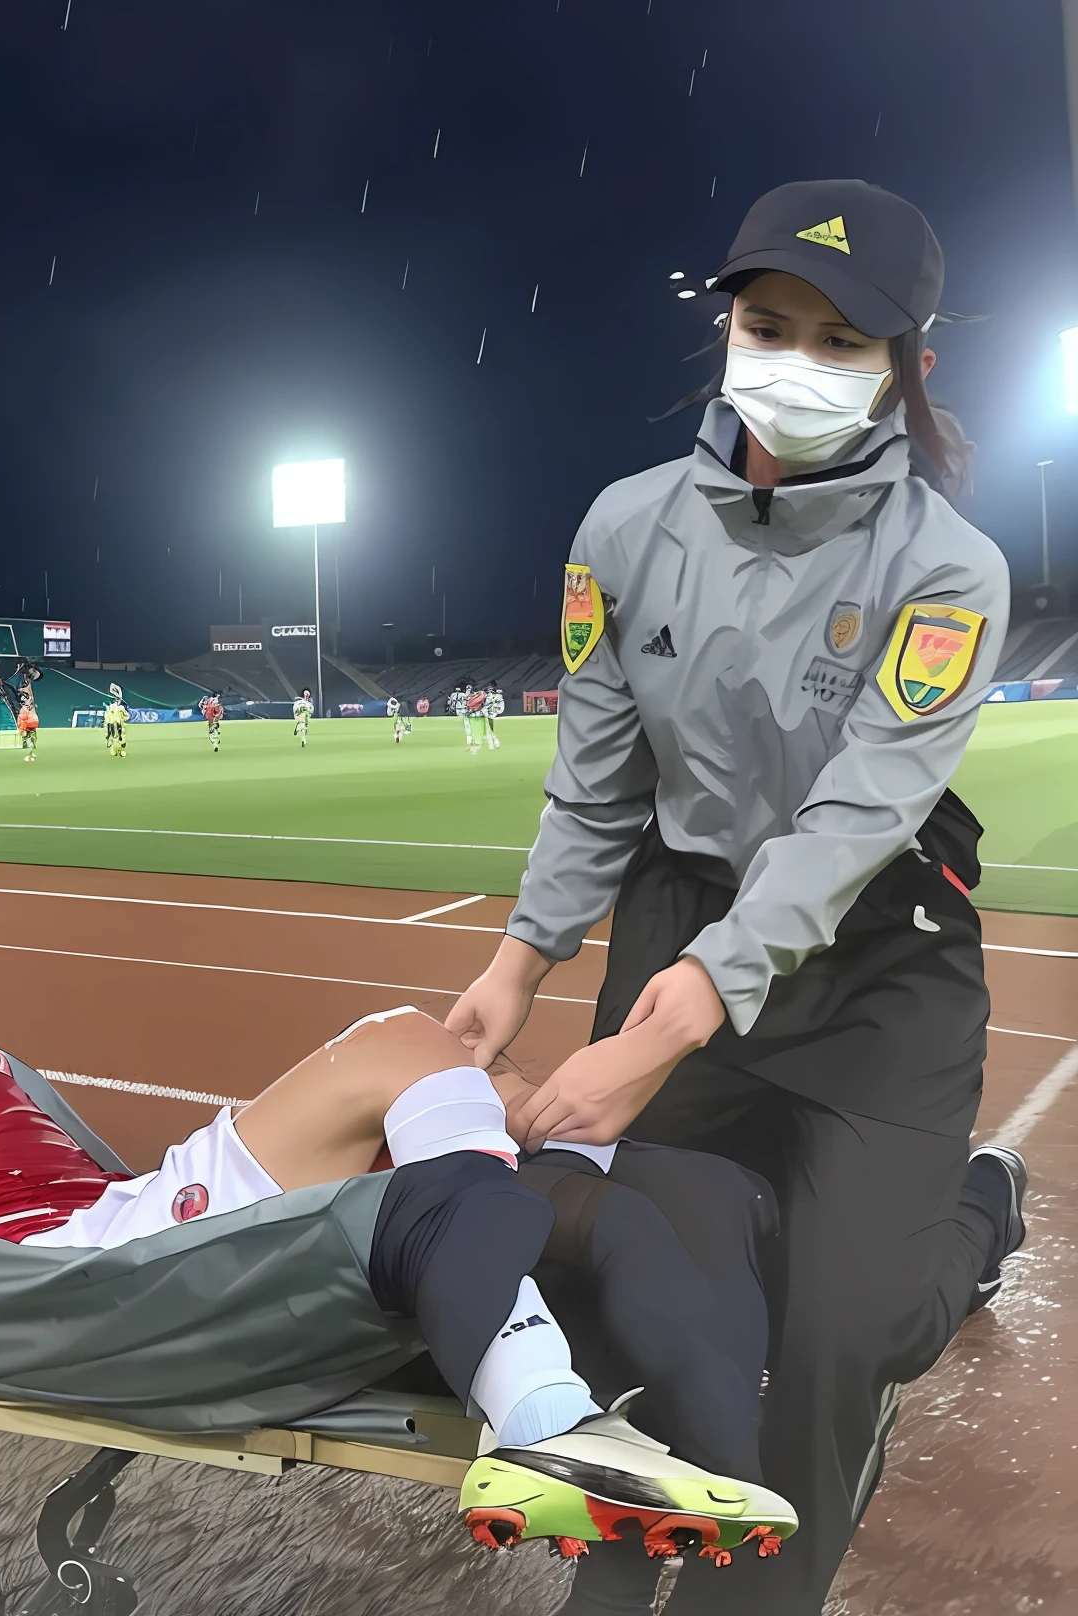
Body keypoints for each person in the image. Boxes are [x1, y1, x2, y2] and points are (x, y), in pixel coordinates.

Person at [446, 180, 1029, 1616]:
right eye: (770, 325)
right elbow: (596, 781)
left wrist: (672, 1022)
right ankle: (624, 1568)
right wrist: (521, 964)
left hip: (877, 960)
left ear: (909, 366)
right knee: (637, 1294)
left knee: (845, 1338)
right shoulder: (623, 531)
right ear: (725, 329)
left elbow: (855, 821)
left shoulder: (949, 570)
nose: (797, 363)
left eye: (843, 342)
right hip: (675, 923)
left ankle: (978, 1211)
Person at [0, 900, 797, 1614]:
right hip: (89, 1272)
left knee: (621, 1167)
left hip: (138, 1210)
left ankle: (691, 1463)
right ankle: (538, 1410)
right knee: (410, 1049)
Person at [104, 692, 130, 758]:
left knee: (119, 736)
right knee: (118, 736)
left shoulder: (118, 707)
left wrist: (108, 722)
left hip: (117, 723)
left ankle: (119, 750)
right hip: (115, 723)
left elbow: (126, 715)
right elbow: (126, 715)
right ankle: (117, 749)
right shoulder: (114, 707)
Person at [17, 694, 40, 761]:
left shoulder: (24, 709)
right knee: (29, 735)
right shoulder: (25, 709)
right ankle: (29, 744)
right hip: (30, 724)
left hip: (30, 724)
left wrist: (22, 729)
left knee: (28, 736)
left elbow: (23, 720)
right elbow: (23, 720)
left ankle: (28, 744)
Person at [484, 684, 504, 749]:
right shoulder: (493, 696)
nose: (490, 692)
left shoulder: (496, 696)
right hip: (493, 712)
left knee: (490, 727)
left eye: (491, 691)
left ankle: (494, 741)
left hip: (493, 712)